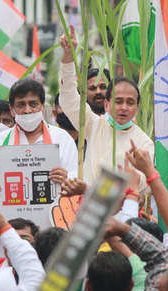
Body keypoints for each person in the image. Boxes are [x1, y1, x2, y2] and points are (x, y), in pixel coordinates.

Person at [58, 26, 153, 191]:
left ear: (137, 107)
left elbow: (144, 184)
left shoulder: (144, 143)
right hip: (88, 210)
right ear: (107, 104)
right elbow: (68, 99)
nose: (124, 107)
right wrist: (68, 57)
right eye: (118, 101)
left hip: (124, 213)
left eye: (130, 102)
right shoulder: (95, 125)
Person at [0, 78, 78, 184]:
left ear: (42, 106)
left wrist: (66, 178)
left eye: (33, 104)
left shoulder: (62, 138)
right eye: (21, 105)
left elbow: (74, 176)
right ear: (11, 109)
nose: (27, 110)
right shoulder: (0, 140)